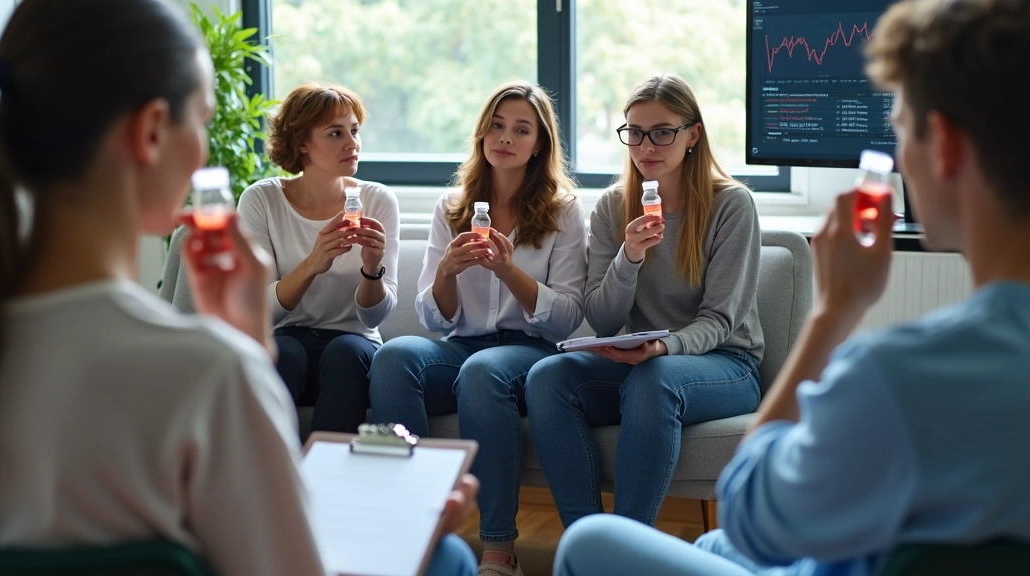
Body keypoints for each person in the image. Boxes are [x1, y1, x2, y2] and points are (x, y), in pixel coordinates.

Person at [552, 0, 1030, 576]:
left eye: (900, 130)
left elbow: (750, 516)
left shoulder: (895, 375)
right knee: (711, 550)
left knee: (591, 546)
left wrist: (833, 315)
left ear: (946, 149)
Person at [0, 0, 475, 576]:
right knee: (448, 560)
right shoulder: (208, 377)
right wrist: (403, 536)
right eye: (201, 120)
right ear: (151, 132)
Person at [525, 74, 764, 528]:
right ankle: (588, 542)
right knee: (546, 378)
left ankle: (628, 550)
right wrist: (629, 257)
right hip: (640, 361)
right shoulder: (613, 207)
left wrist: (664, 348)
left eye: (662, 132)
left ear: (693, 134)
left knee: (655, 380)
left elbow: (721, 319)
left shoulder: (732, 204)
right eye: (634, 133)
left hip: (725, 363)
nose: (645, 147)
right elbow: (602, 319)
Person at [369, 80, 586, 576]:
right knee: (394, 356)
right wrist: (446, 271)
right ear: (481, 134)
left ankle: (497, 547)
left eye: (521, 129)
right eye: (496, 125)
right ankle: (409, 526)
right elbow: (431, 316)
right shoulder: (453, 206)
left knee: (485, 371)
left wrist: (510, 271)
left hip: (528, 352)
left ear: (539, 145)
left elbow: (570, 315)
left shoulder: (564, 210)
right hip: (461, 346)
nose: (505, 137)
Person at [238, 82, 398, 434]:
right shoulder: (261, 200)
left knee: (344, 353)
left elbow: (374, 317)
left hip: (354, 348)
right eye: (335, 133)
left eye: (354, 131)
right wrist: (313, 264)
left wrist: (372, 270)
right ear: (302, 143)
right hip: (286, 340)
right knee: (286, 353)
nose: (352, 143)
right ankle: (276, 483)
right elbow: (258, 311)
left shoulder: (378, 200)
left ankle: (330, 481)